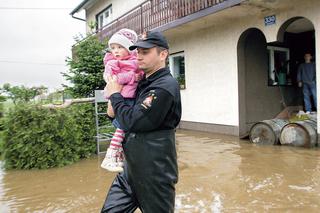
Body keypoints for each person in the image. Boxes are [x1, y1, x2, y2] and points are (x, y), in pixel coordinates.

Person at [101, 31, 181, 212]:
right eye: (137, 52)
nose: (139, 56)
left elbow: (133, 121)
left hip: (155, 174)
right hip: (130, 171)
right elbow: (119, 116)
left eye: (145, 52)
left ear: (163, 54)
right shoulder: (141, 83)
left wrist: (114, 95)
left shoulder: (164, 87)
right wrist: (113, 108)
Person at [100, 28, 144, 172]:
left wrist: (137, 76)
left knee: (123, 127)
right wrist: (132, 76)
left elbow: (140, 72)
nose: (116, 51)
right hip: (121, 97)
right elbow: (111, 79)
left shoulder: (133, 60)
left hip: (127, 97)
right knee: (123, 126)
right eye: (113, 48)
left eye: (120, 47)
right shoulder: (113, 63)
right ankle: (110, 156)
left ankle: (117, 157)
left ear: (129, 49)